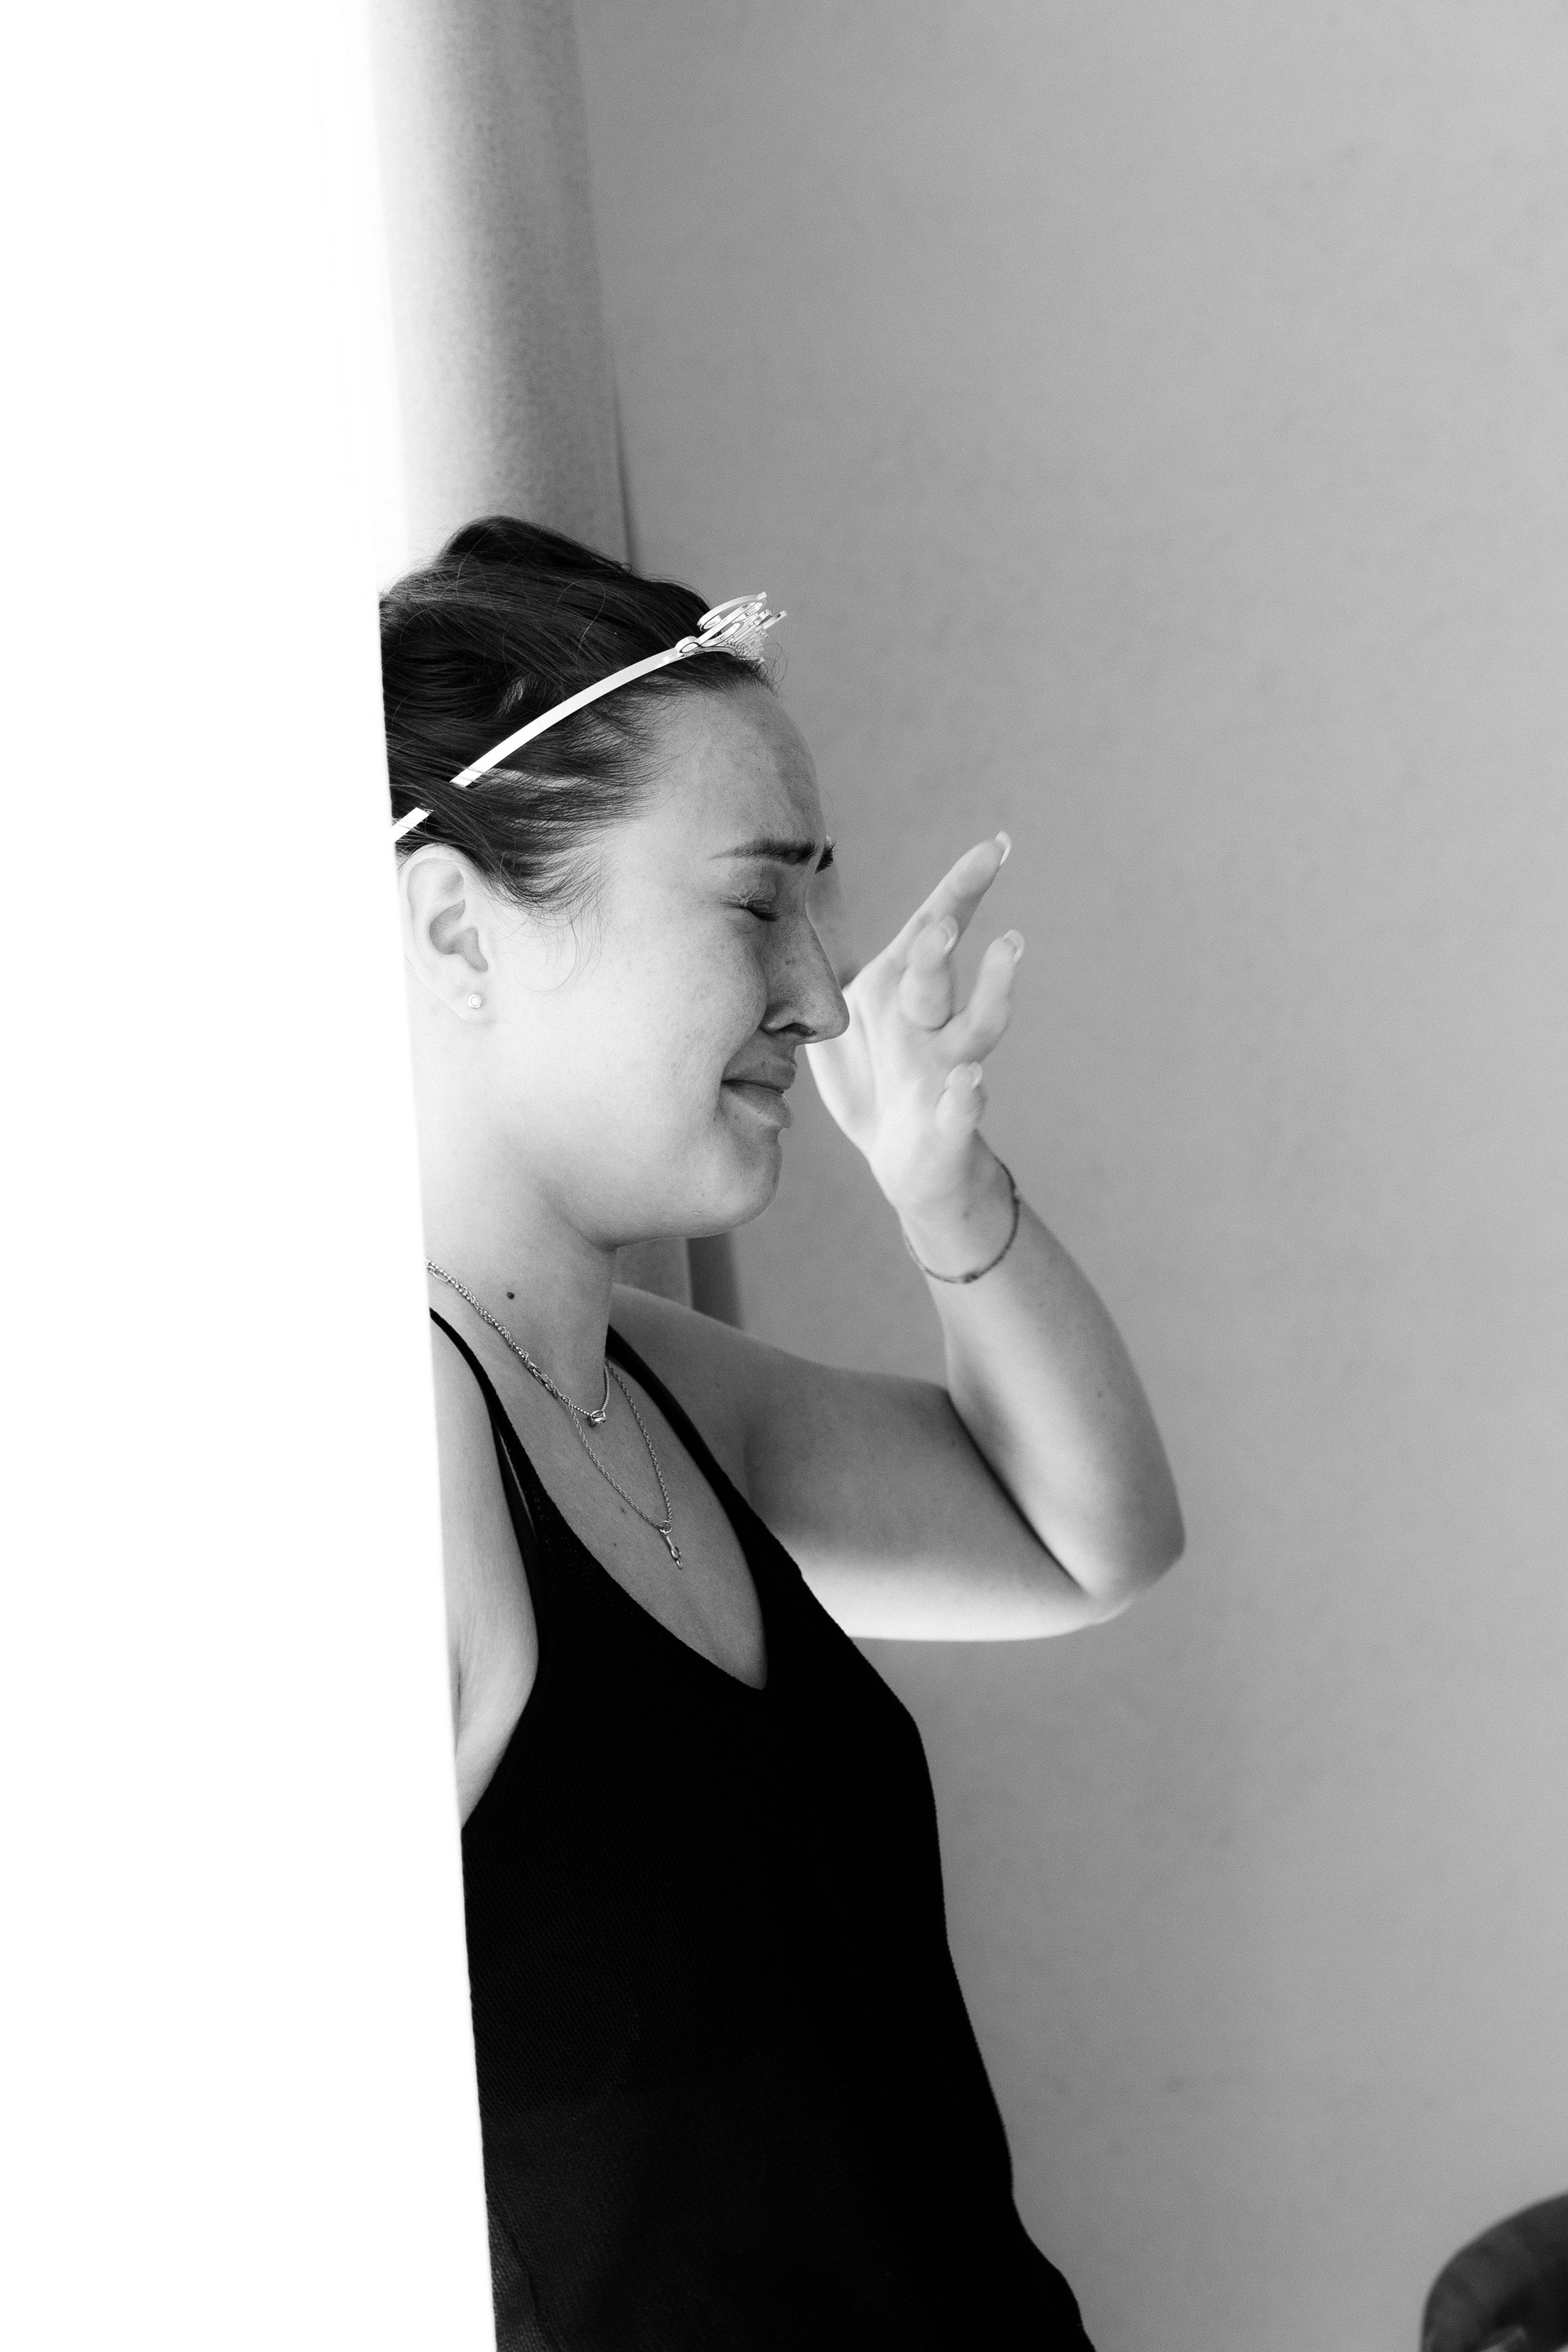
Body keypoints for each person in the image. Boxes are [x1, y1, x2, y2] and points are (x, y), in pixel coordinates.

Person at [385, 515, 1184, 2352]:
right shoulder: (392, 1456)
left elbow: (1088, 1546)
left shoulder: (639, 1376)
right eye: (757, 905)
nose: (824, 996)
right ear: (458, 929)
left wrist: (944, 1193)